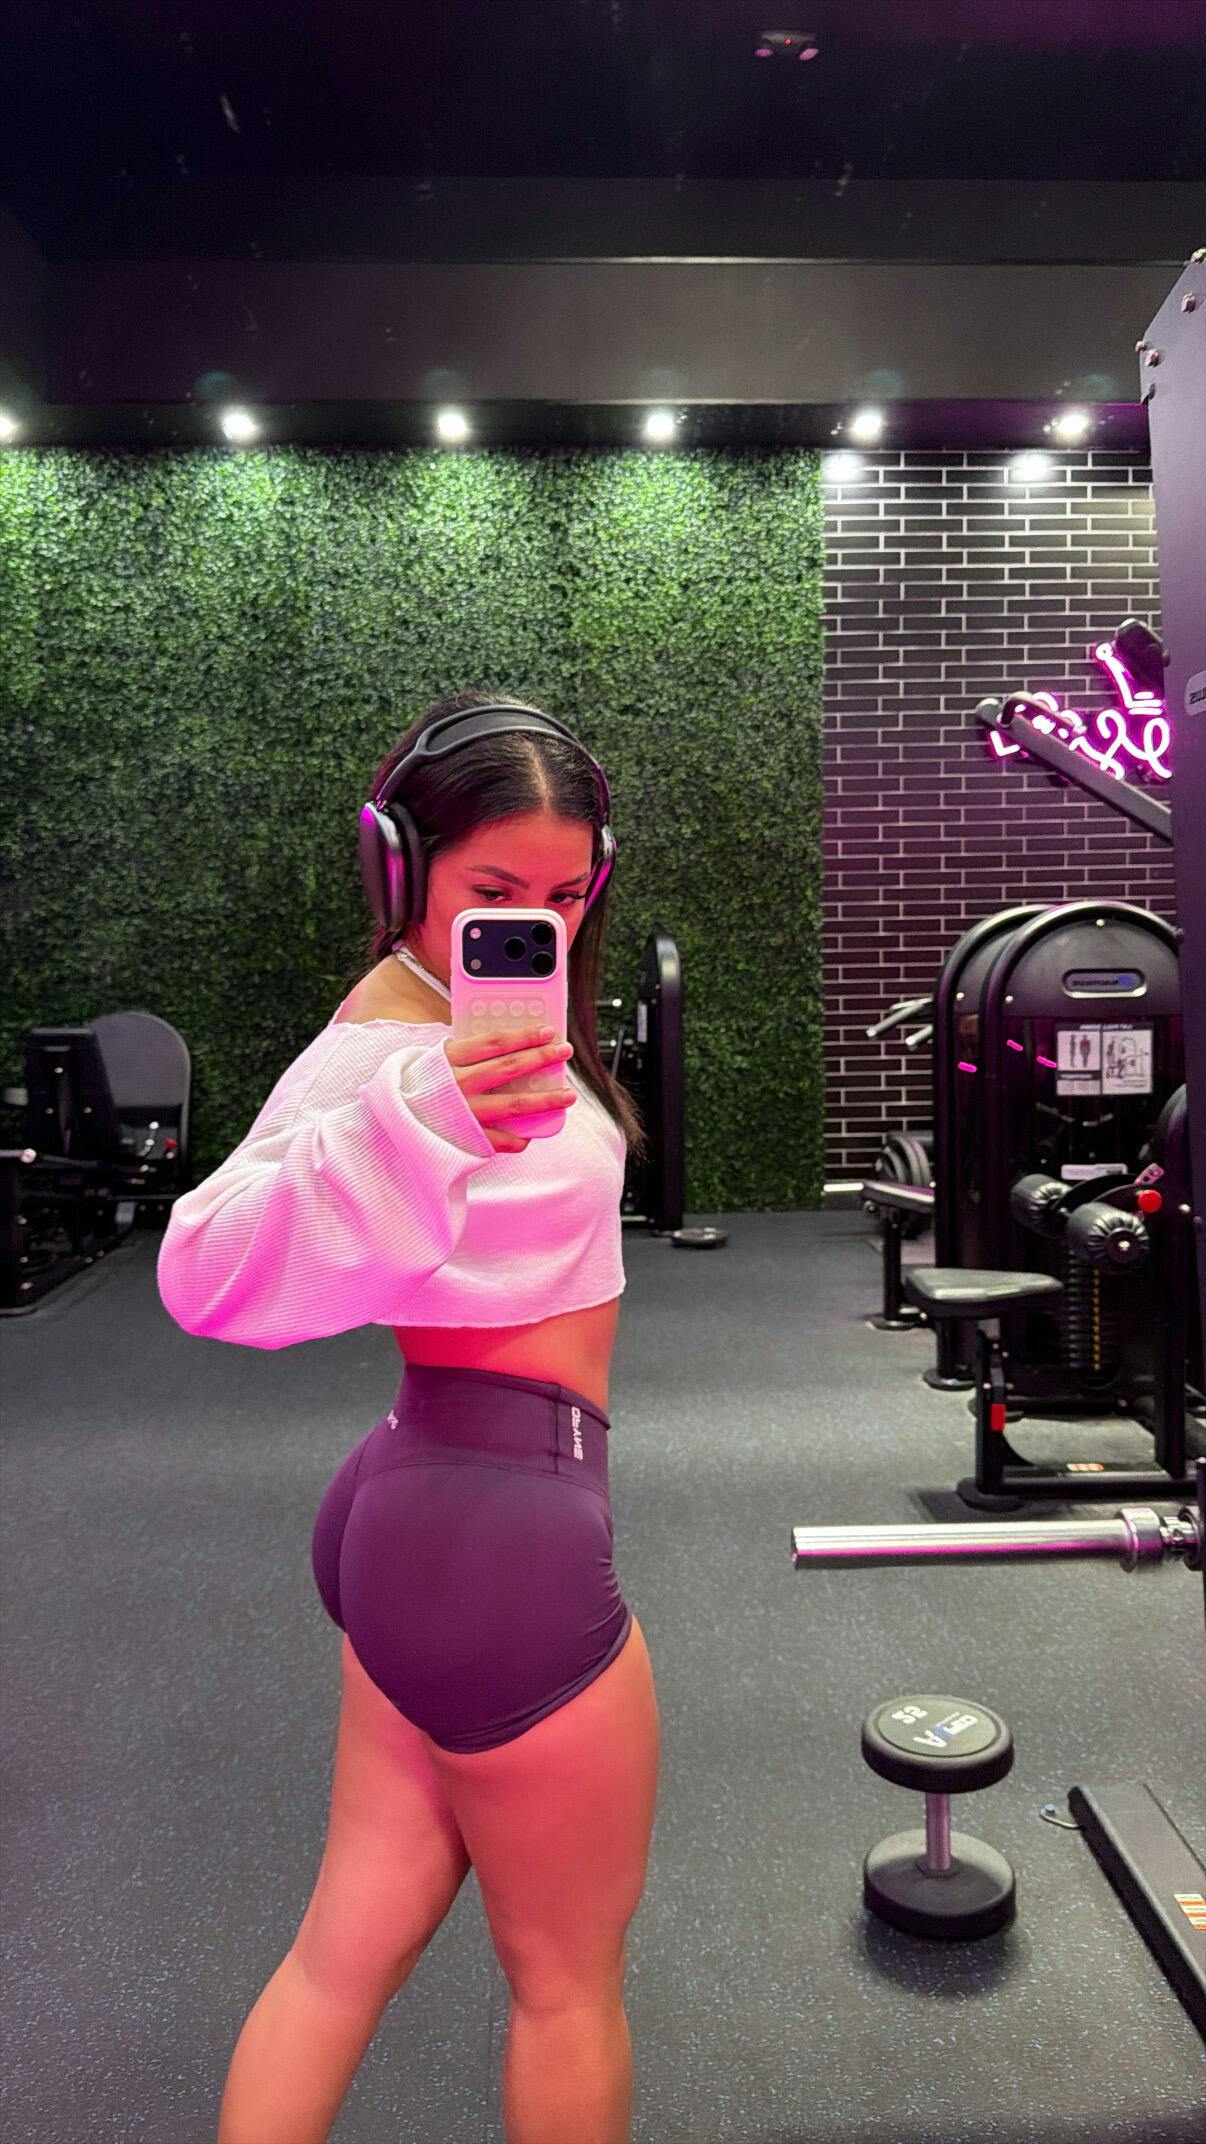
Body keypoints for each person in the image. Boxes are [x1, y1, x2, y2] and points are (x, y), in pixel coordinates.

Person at [156, 689, 661, 2144]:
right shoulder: (387, 1050)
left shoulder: (464, 1019)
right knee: (565, 1992)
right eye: (494, 892)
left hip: (425, 1510)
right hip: (497, 1542)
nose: (533, 926)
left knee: (340, 1959)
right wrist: (423, 1116)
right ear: (402, 868)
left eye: (564, 896)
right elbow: (204, 1271)